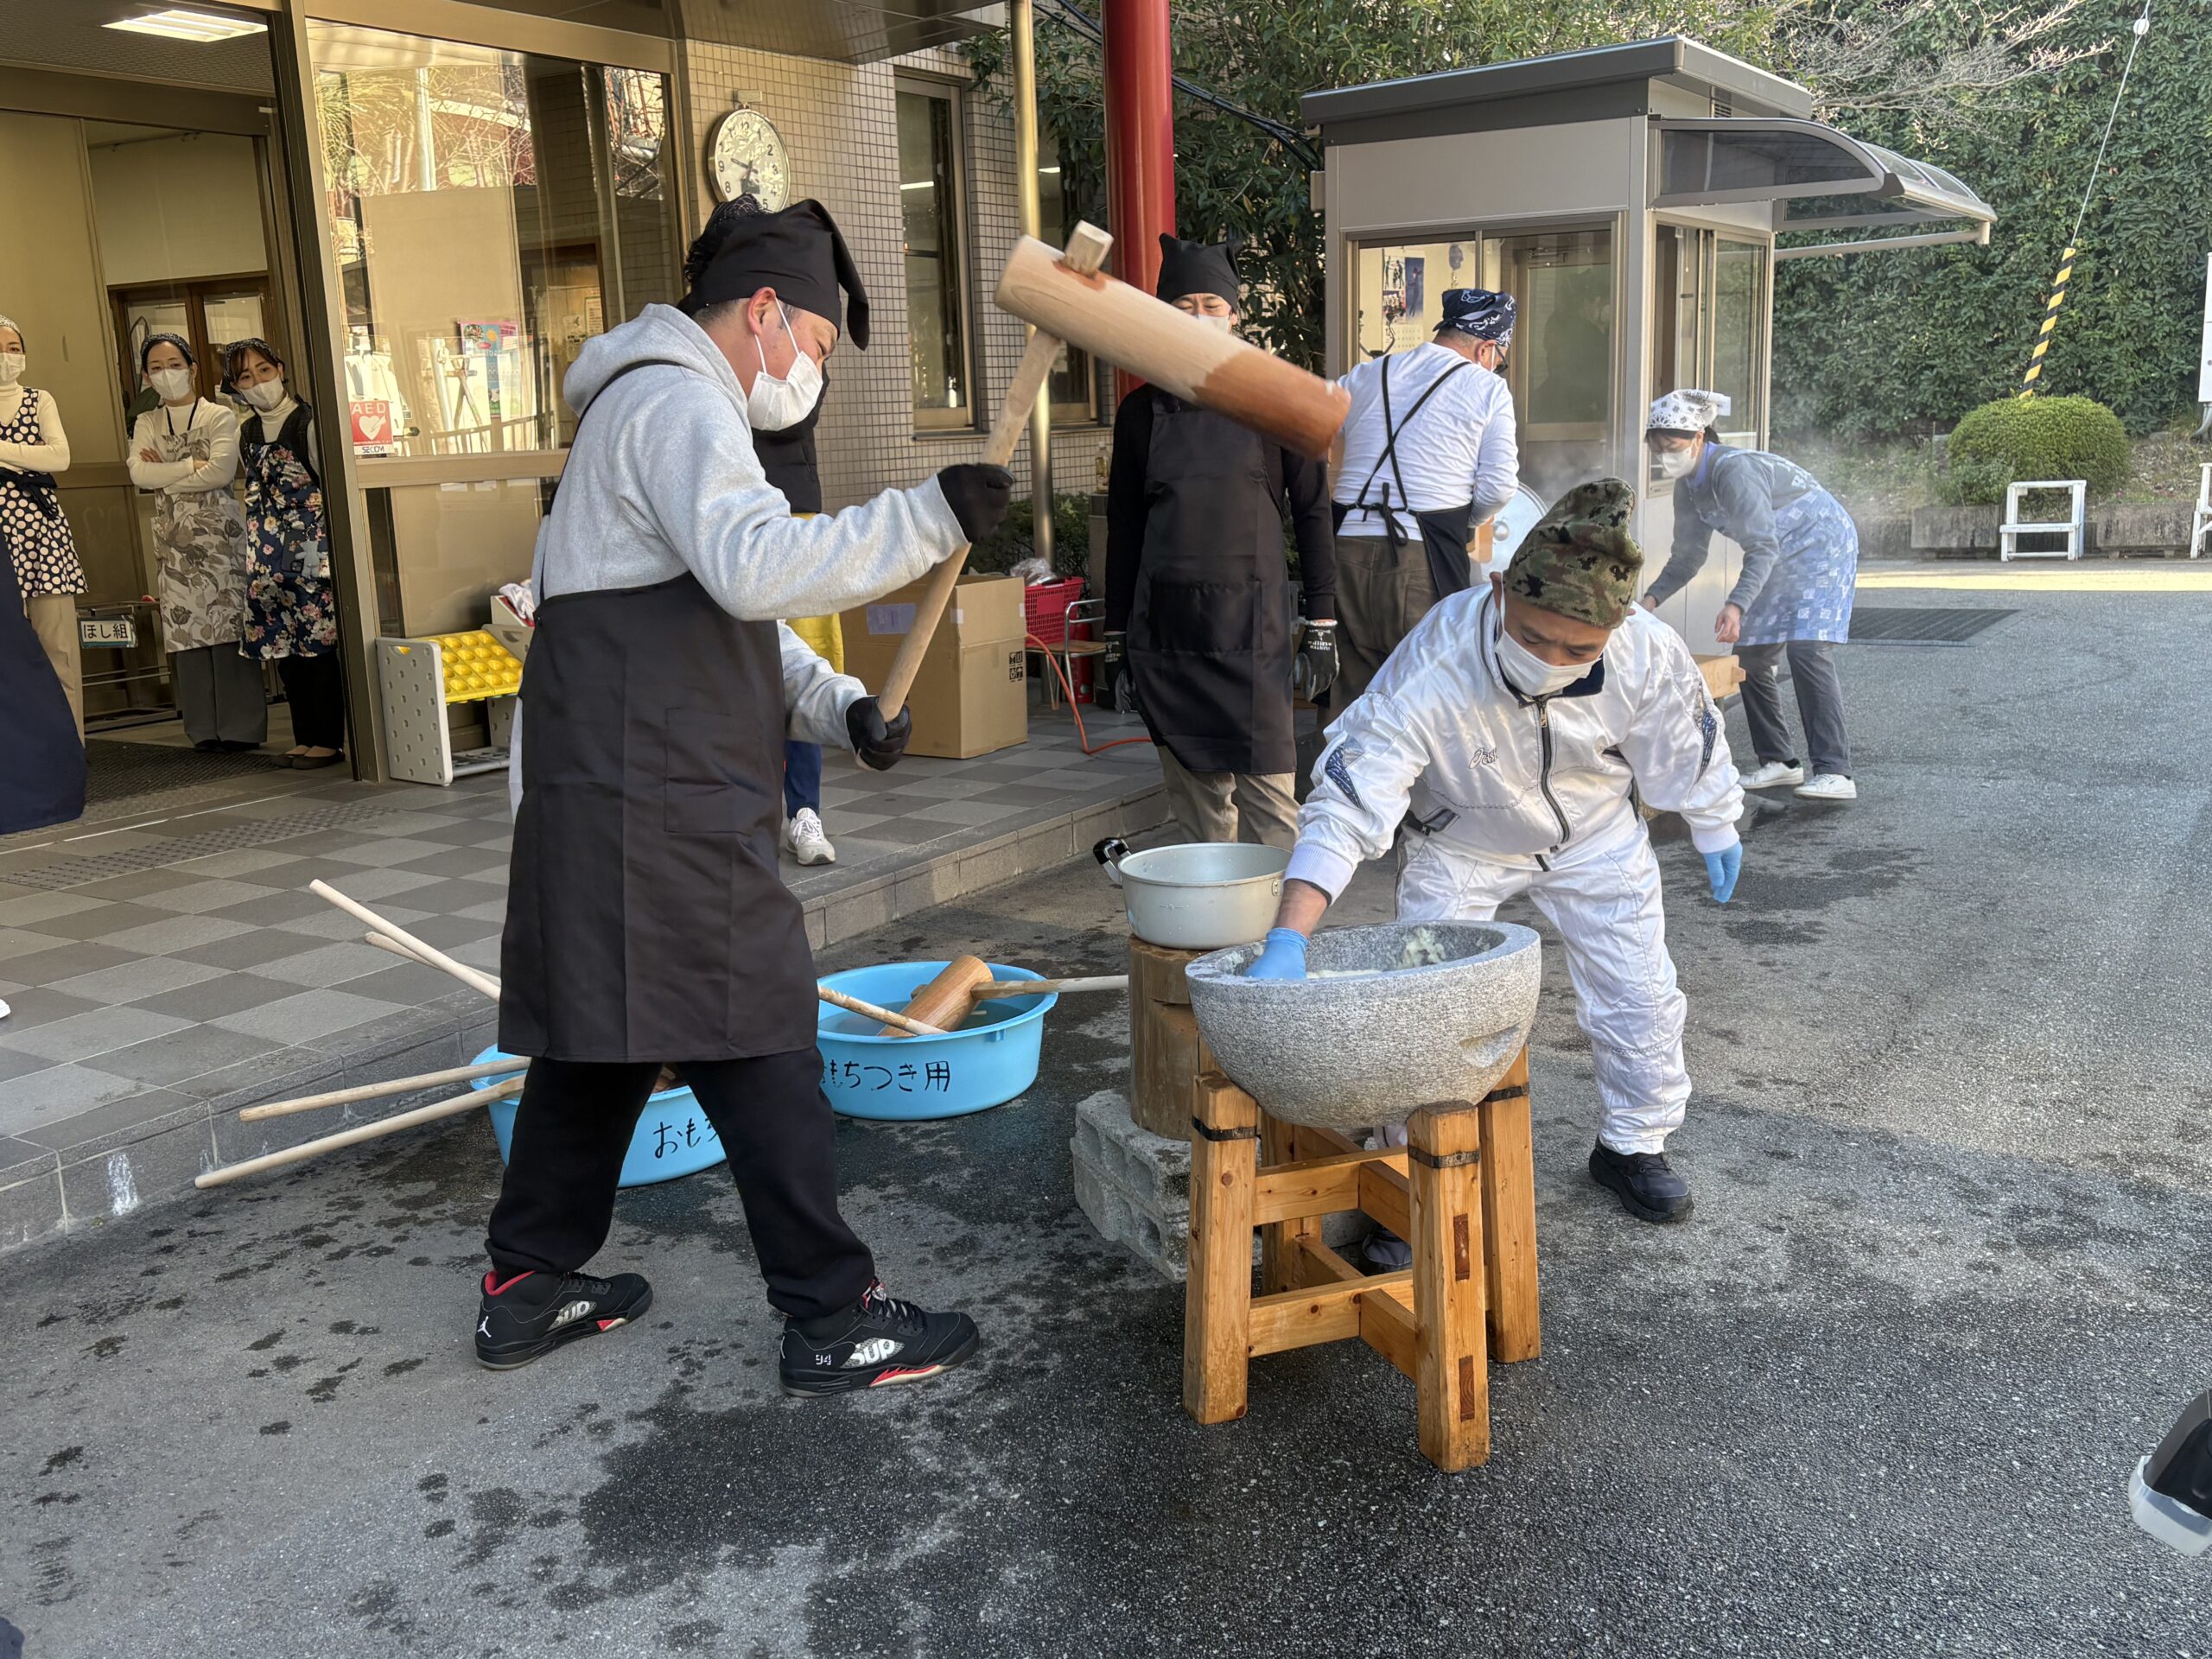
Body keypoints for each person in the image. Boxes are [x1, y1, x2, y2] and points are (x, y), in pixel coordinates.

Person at [485, 197, 1014, 1397]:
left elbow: (731, 622)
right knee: (761, 1025)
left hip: (619, 788)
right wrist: (926, 515)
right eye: (816, 346)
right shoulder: (676, 401)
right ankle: (832, 1313)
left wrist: (841, 708)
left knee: (603, 1038)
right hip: (652, 796)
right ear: (765, 311)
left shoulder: (647, 408)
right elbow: (755, 566)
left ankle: (525, 1283)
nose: (810, 376)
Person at [1248, 480, 1745, 1225]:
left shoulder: (1647, 651)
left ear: (1620, 623)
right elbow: (1350, 798)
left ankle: (1634, 1143)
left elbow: (1688, 742)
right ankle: (1410, 1172)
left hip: (1595, 834)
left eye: (1578, 649)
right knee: (1426, 1008)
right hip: (1461, 840)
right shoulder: (1438, 658)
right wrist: (1290, 934)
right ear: (1502, 588)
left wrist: (1716, 821)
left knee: (1639, 995)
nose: (1551, 659)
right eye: (1534, 638)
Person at [1103, 233, 1338, 848]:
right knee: (1201, 821)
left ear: (1235, 314)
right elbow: (1125, 528)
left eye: (1212, 305)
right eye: (1184, 307)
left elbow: (1313, 513)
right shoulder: (1140, 413)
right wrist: (1115, 636)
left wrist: (1323, 622)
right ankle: (1212, 913)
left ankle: (1285, 915)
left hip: (1252, 636)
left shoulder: (1277, 400)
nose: (1200, 317)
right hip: (1169, 638)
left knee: (1273, 808)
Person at [684, 198, 849, 868]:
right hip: (723, 530)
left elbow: (791, 409)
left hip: (792, 515)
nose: (816, 367)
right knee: (737, 672)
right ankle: (750, 812)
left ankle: (803, 809)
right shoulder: (687, 377)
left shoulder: (788, 349)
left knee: (797, 667)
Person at [1639, 389, 1859, 803]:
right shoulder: (1688, 487)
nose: (1665, 456)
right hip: (1774, 551)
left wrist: (1736, 604)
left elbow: (1761, 545)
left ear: (1699, 437)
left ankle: (1835, 770)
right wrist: (1647, 603)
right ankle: (1779, 761)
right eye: (1657, 449)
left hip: (1820, 542)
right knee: (1752, 653)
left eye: (1671, 446)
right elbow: (1687, 556)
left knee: (1807, 648)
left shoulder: (1733, 471)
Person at [1331, 287, 1520, 704]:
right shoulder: (1488, 389)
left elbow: (1316, 423)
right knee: (1423, 693)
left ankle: (1343, 750)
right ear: (1487, 349)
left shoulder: (1365, 375)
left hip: (1345, 547)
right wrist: (1465, 523)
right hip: (1421, 557)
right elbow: (1499, 486)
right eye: (1500, 360)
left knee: (1348, 691)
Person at [127, 333, 263, 752]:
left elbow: (221, 472)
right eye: (155, 368)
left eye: (173, 365)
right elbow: (138, 473)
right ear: (146, 377)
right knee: (186, 631)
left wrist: (165, 475)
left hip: (219, 536)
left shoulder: (219, 415)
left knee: (227, 626)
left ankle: (240, 728)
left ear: (192, 369)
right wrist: (190, 465)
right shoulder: (147, 422)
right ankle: (202, 729)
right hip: (174, 541)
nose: (165, 374)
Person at [225, 337, 346, 770]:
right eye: (245, 376)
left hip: (309, 543)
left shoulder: (307, 423)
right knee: (284, 646)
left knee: (316, 642)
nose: (257, 381)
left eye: (263, 370)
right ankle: (303, 737)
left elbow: (330, 485)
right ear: (236, 387)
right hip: (266, 548)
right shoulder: (247, 432)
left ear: (280, 368)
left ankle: (328, 741)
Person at [0, 314, 88, 737]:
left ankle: (70, 743)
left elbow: (59, 457)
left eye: (13, 348)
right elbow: (42, 457)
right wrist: (26, 455)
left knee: (59, 647)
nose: (6, 357)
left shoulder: (40, 400)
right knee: (9, 649)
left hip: (42, 534)